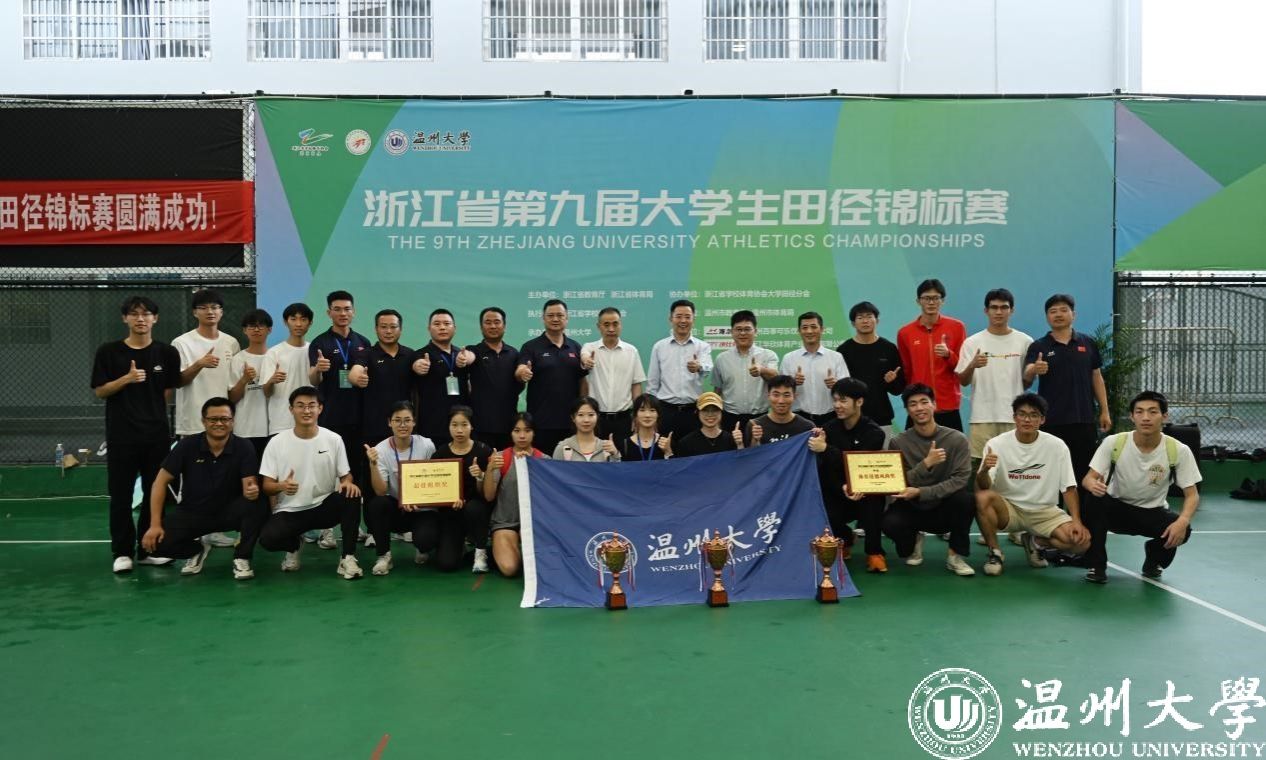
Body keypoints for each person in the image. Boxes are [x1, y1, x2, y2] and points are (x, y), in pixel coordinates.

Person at [92, 295, 183, 573]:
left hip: (156, 436)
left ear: (155, 318)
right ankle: (122, 552)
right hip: (121, 437)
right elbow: (100, 391)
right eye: (134, 314)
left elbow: (167, 392)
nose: (140, 319)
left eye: (146, 314)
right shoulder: (109, 352)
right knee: (120, 496)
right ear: (125, 318)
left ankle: (148, 549)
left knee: (155, 493)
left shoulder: (167, 353)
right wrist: (127, 379)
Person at [140, 398, 268, 580]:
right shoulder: (187, 446)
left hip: (229, 512)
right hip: (193, 512)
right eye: (213, 419)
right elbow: (159, 483)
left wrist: (252, 490)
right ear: (203, 421)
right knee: (156, 544)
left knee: (258, 504)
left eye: (224, 419)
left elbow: (250, 484)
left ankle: (242, 557)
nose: (219, 423)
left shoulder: (244, 446)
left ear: (232, 421)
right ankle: (196, 550)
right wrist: (154, 525)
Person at [1081, 391, 1200, 584]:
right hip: (1115, 509)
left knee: (1183, 529)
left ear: (1164, 416)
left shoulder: (1178, 450)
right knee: (1093, 499)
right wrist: (1093, 485)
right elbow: (1088, 478)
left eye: (1153, 412)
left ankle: (1153, 558)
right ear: (1132, 416)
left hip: (1152, 513)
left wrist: (1183, 521)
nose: (1146, 417)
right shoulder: (1114, 442)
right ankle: (1097, 565)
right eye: (1140, 412)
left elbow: (1192, 495)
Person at [975, 393, 1090, 577]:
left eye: (1034, 415)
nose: (1027, 419)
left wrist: (1076, 520)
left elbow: (1069, 487)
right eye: (1022, 414)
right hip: (1009, 509)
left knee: (1081, 543)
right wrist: (983, 470)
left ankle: (1036, 542)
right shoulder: (996, 444)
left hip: (1045, 512)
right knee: (982, 498)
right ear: (1014, 417)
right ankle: (995, 553)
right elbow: (984, 486)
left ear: (1042, 420)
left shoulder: (1057, 446)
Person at [257, 386, 364, 580]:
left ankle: (347, 557)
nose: (306, 411)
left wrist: (348, 483)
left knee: (352, 495)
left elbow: (345, 475)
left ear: (320, 409)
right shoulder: (277, 442)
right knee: (268, 540)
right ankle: (294, 546)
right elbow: (267, 485)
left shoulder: (334, 439)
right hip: (290, 510)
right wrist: (281, 486)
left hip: (323, 506)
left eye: (311, 405)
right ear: (291, 409)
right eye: (300, 406)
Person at [883, 384, 975, 576]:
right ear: (907, 410)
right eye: (913, 404)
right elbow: (898, 482)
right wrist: (925, 464)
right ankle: (914, 539)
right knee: (890, 523)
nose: (919, 408)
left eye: (924, 402)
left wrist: (921, 492)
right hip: (912, 505)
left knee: (965, 500)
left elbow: (960, 479)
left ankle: (955, 555)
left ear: (934, 405)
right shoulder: (898, 442)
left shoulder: (956, 439)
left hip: (943, 505)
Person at [1024, 293, 1111, 485]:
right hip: (1051, 421)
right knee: (1052, 475)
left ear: (1074, 315)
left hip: (1084, 419)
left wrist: (1104, 410)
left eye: (1064, 310)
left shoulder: (1087, 343)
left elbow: (1096, 376)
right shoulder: (1039, 346)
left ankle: (1081, 506)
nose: (1058, 314)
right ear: (1047, 317)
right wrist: (1034, 369)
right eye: (1053, 311)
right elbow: (1026, 375)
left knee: (1083, 473)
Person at [308, 291, 372, 549]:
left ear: (353, 312)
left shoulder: (363, 342)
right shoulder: (320, 342)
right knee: (328, 473)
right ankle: (326, 529)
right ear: (329, 312)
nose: (342, 313)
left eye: (347, 309)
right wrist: (318, 370)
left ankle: (353, 523)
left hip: (358, 418)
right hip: (330, 419)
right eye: (337, 309)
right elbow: (313, 380)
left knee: (354, 473)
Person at [809, 378, 889, 573]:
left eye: (843, 400)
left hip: (864, 489)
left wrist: (826, 449)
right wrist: (841, 487)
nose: (837, 405)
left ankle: (874, 552)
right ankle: (845, 539)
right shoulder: (828, 429)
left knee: (874, 500)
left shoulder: (875, 433)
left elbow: (858, 463)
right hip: (839, 489)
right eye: (835, 400)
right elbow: (827, 470)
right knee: (823, 504)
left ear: (859, 402)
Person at [956, 290, 1033, 466]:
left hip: (1015, 417)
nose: (999, 312)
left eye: (1004, 307)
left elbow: (1026, 383)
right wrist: (972, 365)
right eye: (994, 307)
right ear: (986, 310)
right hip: (982, 417)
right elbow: (963, 381)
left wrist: (1033, 372)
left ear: (1011, 310)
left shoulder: (1025, 341)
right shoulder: (972, 342)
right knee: (981, 468)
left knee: (1016, 467)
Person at [363, 401, 437, 576]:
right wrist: (373, 464)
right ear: (389, 422)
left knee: (426, 539)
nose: (403, 425)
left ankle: (422, 548)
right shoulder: (380, 450)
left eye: (407, 420)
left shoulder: (427, 445)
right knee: (378, 504)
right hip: (397, 508)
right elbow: (381, 491)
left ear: (414, 422)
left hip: (422, 508)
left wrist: (419, 499)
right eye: (397, 420)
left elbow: (434, 478)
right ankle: (384, 556)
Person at [517, 299, 588, 455]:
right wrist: (523, 372)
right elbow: (520, 370)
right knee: (543, 465)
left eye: (560, 315)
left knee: (570, 466)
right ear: (543, 318)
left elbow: (582, 381)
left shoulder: (575, 347)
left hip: (571, 422)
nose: (555, 319)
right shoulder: (531, 347)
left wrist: (582, 410)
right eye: (550, 315)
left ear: (566, 318)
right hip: (541, 422)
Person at [896, 279, 967, 431]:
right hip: (919, 408)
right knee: (911, 446)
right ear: (918, 301)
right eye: (926, 298)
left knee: (954, 446)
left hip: (948, 405)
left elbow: (962, 367)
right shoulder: (905, 333)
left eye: (935, 298)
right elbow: (906, 370)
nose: (931, 302)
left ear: (942, 301)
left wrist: (948, 355)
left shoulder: (957, 327)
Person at [431, 406, 495, 573]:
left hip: (475, 509)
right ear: (448, 426)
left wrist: (480, 476)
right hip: (451, 513)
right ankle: (458, 543)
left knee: (475, 508)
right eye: (454, 425)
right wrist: (448, 500)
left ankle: (481, 551)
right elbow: (435, 488)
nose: (459, 430)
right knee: (447, 564)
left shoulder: (483, 451)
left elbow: (486, 494)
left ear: (471, 426)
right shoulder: (440, 454)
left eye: (464, 424)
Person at [487, 413, 550, 577]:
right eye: (517, 430)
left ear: (534, 433)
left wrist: (533, 467)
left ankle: (520, 547)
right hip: (505, 522)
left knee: (543, 567)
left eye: (527, 431)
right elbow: (489, 496)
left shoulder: (544, 460)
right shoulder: (501, 458)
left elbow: (549, 499)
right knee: (510, 568)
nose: (522, 435)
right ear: (511, 433)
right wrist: (490, 469)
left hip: (535, 524)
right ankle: (504, 546)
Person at [172, 289, 240, 438]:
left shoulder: (231, 342)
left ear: (221, 312)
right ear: (194, 312)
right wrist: (200, 364)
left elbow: (233, 386)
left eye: (214, 307)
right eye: (203, 308)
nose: (210, 312)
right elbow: (178, 381)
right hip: (192, 423)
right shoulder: (181, 343)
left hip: (223, 422)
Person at [646, 299, 713, 440]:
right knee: (665, 449)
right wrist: (651, 412)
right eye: (679, 316)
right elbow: (652, 383)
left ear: (693, 319)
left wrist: (699, 366)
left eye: (687, 317)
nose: (683, 321)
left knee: (692, 450)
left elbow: (708, 368)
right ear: (671, 319)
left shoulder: (702, 346)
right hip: (666, 410)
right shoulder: (659, 347)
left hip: (693, 411)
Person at [351, 309, 414, 456]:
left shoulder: (410, 354)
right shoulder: (366, 354)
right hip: (374, 426)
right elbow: (355, 371)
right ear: (376, 329)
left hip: (404, 426)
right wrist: (357, 378)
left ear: (400, 329)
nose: (388, 331)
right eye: (383, 327)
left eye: (393, 327)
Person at [410, 308, 475, 446]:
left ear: (454, 328)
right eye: (437, 324)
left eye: (447, 324)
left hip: (461, 425)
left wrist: (467, 359)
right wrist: (419, 366)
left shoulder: (461, 354)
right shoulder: (421, 354)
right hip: (432, 424)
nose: (442, 327)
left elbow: (472, 359)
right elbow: (416, 364)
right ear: (429, 328)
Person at [837, 301, 904, 432]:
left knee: (883, 446)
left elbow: (898, 389)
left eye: (869, 316)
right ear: (853, 323)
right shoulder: (844, 350)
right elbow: (841, 388)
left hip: (881, 416)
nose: (865, 321)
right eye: (860, 317)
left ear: (877, 320)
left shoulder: (888, 348)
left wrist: (891, 381)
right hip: (852, 417)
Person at [580, 307, 646, 439]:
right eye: (606, 324)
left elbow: (636, 385)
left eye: (615, 324)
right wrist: (586, 360)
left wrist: (637, 415)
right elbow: (584, 355)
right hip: (596, 419)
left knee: (623, 451)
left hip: (624, 419)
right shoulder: (590, 348)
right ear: (598, 326)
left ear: (621, 325)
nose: (611, 329)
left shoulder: (631, 351)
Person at [711, 310, 779, 433]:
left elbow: (776, 378)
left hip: (760, 418)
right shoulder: (721, 359)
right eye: (738, 329)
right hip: (730, 418)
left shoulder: (768, 355)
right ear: (732, 332)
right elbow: (717, 390)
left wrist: (761, 370)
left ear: (755, 331)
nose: (742, 333)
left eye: (747, 329)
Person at [467, 307, 524, 451]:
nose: (493, 326)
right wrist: (464, 358)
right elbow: (468, 357)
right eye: (488, 322)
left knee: (507, 463)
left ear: (504, 326)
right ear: (481, 327)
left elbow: (519, 384)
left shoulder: (514, 353)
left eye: (497, 322)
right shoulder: (474, 350)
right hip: (480, 425)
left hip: (509, 425)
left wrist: (523, 376)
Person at [780, 311, 849, 426]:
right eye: (804, 328)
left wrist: (837, 385)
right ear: (799, 331)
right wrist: (792, 383)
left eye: (813, 327)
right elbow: (781, 391)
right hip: (799, 418)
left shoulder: (836, 357)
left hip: (831, 417)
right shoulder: (789, 358)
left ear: (822, 329)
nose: (809, 331)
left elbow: (848, 390)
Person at [263, 302, 313, 437]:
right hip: (281, 422)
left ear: (310, 323)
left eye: (303, 319)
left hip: (310, 422)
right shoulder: (274, 353)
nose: (298, 324)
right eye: (293, 319)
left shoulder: (314, 350)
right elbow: (266, 392)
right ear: (286, 322)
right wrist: (271, 381)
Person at [228, 309, 273, 462]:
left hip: (273, 428)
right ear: (244, 330)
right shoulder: (238, 359)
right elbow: (231, 398)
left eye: (261, 326)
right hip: (245, 429)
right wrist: (244, 380)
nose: (256, 330)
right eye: (252, 326)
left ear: (269, 330)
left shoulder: (276, 357)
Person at [743, 375, 814, 447]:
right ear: (768, 396)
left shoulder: (807, 427)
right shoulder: (755, 426)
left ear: (794, 397)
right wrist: (755, 441)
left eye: (786, 395)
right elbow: (750, 453)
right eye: (776, 395)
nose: (781, 401)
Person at [553, 396, 622, 462]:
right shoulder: (563, 447)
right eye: (580, 415)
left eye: (591, 415)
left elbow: (616, 469)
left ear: (597, 416)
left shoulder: (606, 447)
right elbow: (554, 469)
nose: (586, 420)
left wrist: (615, 454)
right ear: (573, 418)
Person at [671, 392, 738, 458]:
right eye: (705, 410)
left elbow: (738, 463)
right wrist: (668, 452)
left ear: (721, 413)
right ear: (697, 413)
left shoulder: (731, 439)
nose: (710, 414)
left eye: (715, 410)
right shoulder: (686, 443)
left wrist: (740, 445)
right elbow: (681, 464)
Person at [615, 394, 673, 461]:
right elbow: (621, 467)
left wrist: (668, 452)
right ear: (635, 414)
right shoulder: (625, 444)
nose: (647, 415)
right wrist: (615, 454)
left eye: (652, 410)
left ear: (658, 415)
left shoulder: (665, 443)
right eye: (642, 410)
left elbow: (675, 467)